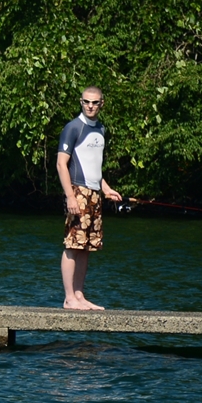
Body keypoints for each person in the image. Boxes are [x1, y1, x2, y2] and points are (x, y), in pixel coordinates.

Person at [57, 87, 123, 310]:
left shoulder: (101, 129)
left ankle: (79, 295)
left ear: (102, 104)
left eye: (95, 103)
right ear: (81, 102)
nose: (90, 106)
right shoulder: (73, 128)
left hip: (94, 194)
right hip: (78, 192)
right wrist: (70, 197)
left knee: (86, 247)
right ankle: (68, 298)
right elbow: (61, 164)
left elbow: (95, 165)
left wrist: (105, 189)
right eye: (86, 102)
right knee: (72, 244)